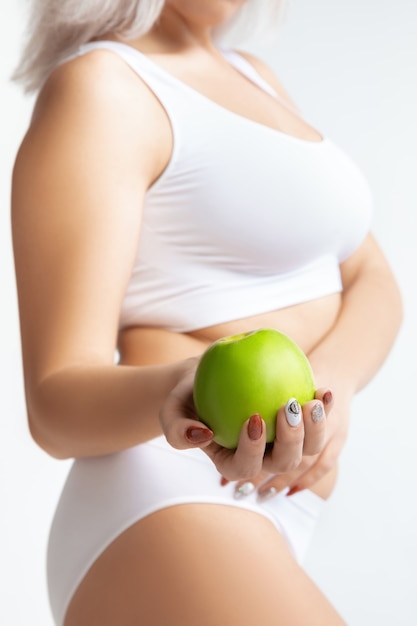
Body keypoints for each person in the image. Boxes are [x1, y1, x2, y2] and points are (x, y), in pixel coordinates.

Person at [11, 1, 402, 625]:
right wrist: (186, 390)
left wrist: (330, 387)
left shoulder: (255, 76)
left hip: (268, 510)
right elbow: (53, 403)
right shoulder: (103, 86)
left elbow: (372, 277)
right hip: (170, 492)